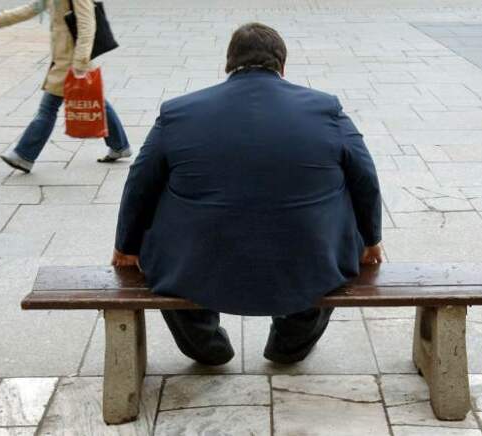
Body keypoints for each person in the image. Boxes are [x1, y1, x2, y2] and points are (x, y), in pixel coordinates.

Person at [112, 23, 383, 366]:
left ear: (228, 65)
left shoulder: (178, 113)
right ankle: (290, 345)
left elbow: (140, 183)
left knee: (166, 243)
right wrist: (371, 239)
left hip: (196, 261)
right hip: (308, 257)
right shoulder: (326, 109)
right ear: (283, 66)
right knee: (327, 245)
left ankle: (205, 345)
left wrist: (126, 246)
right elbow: (364, 177)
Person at [0, 0, 131, 173]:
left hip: (71, 63)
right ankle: (120, 146)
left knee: (48, 108)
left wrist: (80, 63)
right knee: (97, 102)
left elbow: (87, 25)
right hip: (62, 59)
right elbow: (33, 8)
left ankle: (23, 155)